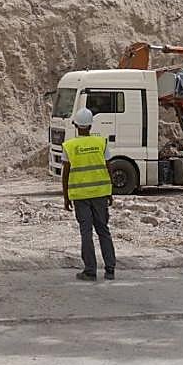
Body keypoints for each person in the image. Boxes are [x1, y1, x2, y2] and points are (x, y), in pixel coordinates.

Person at [61, 107, 116, 280]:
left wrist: (66, 197)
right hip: (100, 193)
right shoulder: (101, 143)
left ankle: (90, 271)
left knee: (86, 233)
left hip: (80, 196)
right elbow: (109, 168)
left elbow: (66, 173)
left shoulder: (70, 146)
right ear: (91, 125)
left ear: (76, 125)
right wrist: (110, 192)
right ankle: (110, 270)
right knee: (103, 230)